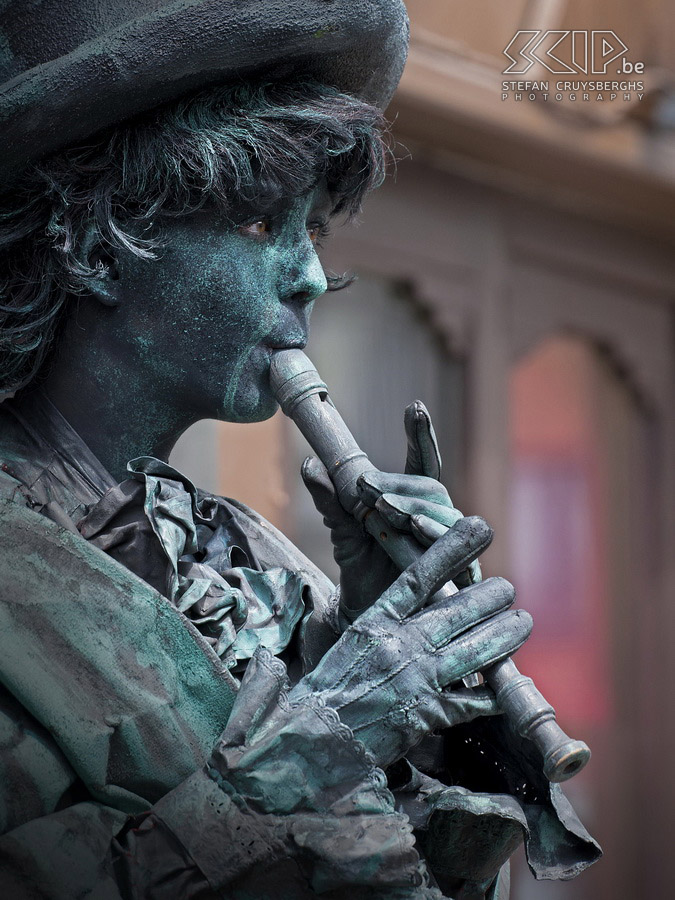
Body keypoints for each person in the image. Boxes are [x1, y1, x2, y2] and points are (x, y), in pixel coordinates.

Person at [0, 2, 600, 897]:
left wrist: (392, 675)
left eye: (313, 227)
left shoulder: (257, 562)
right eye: (256, 222)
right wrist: (329, 735)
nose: (310, 274)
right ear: (93, 243)